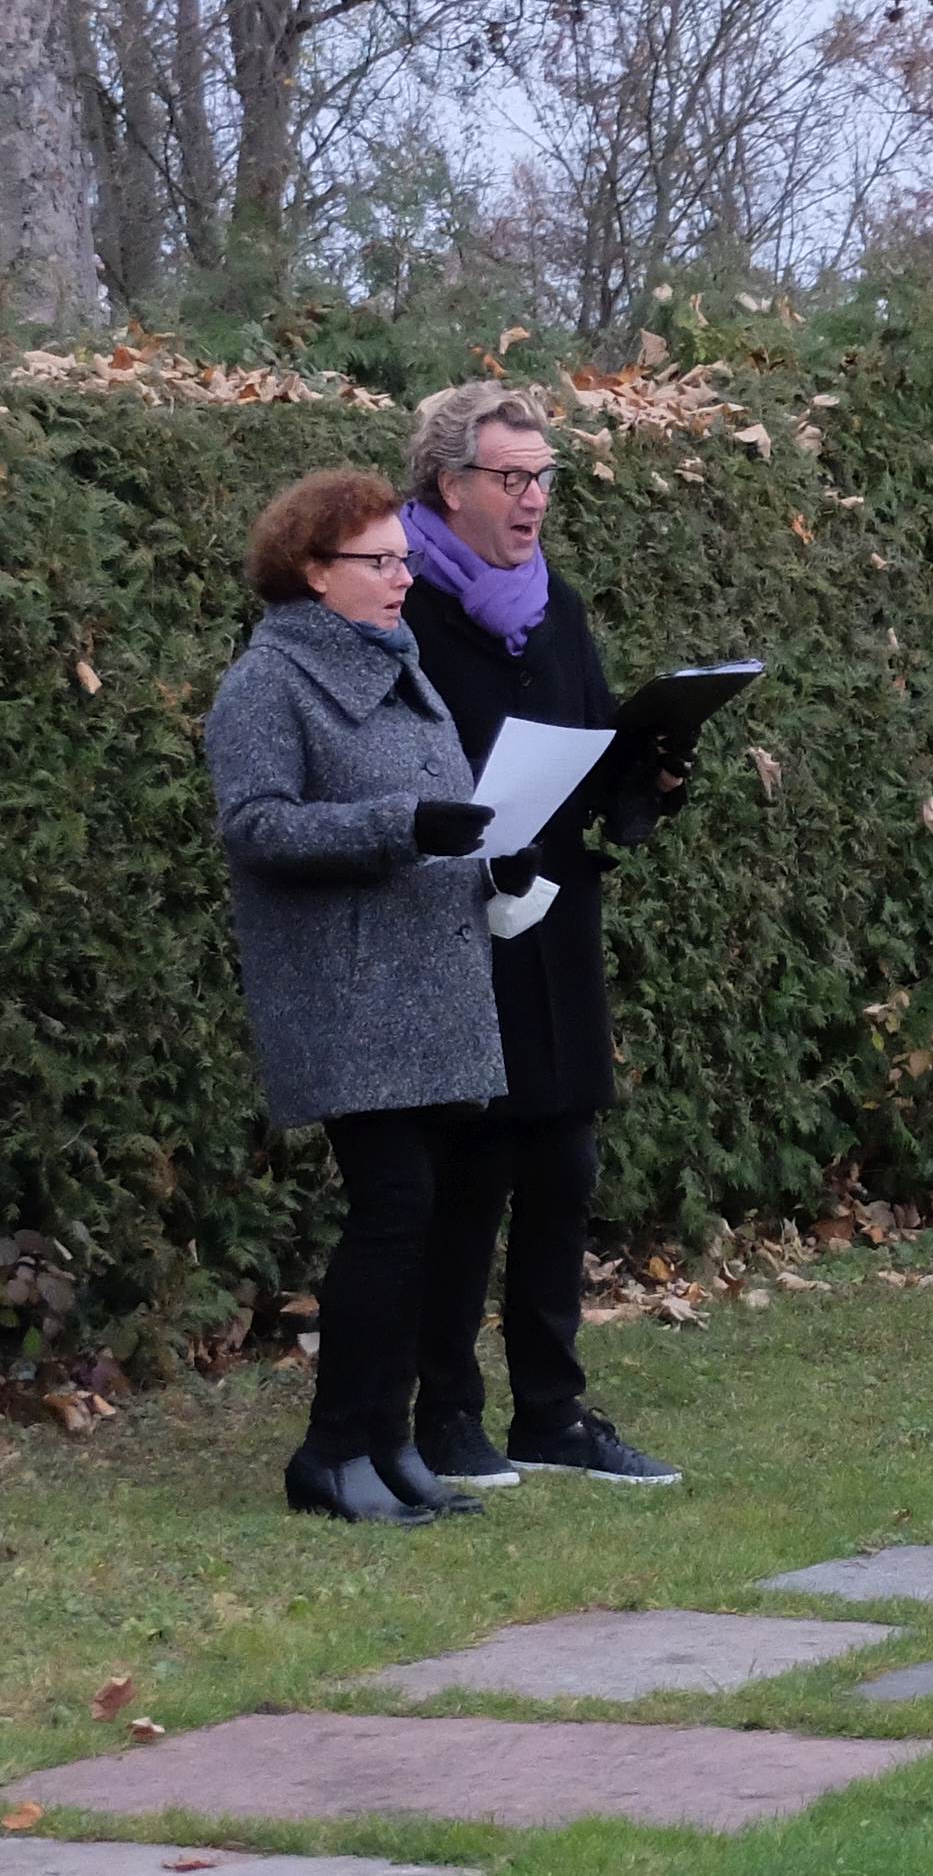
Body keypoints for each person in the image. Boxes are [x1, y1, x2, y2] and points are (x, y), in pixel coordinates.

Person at [206, 471, 512, 1524]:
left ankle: (387, 1441)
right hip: (348, 994)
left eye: (403, 558)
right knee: (392, 1212)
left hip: (430, 981)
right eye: (379, 561)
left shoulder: (401, 664)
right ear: (312, 572)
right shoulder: (268, 682)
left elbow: (441, 817)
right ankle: (332, 1449)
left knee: (428, 1218)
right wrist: (399, 825)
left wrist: (488, 865)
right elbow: (254, 827)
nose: (403, 575)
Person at [395, 381, 686, 1489]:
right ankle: (446, 1412)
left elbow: (592, 741)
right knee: (471, 1168)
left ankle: (551, 1409)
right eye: (511, 479)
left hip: (554, 912)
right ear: (448, 485)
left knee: (564, 1160)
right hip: (453, 915)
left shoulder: (551, 601)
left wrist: (648, 771)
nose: (533, 502)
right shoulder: (402, 605)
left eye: (545, 478)